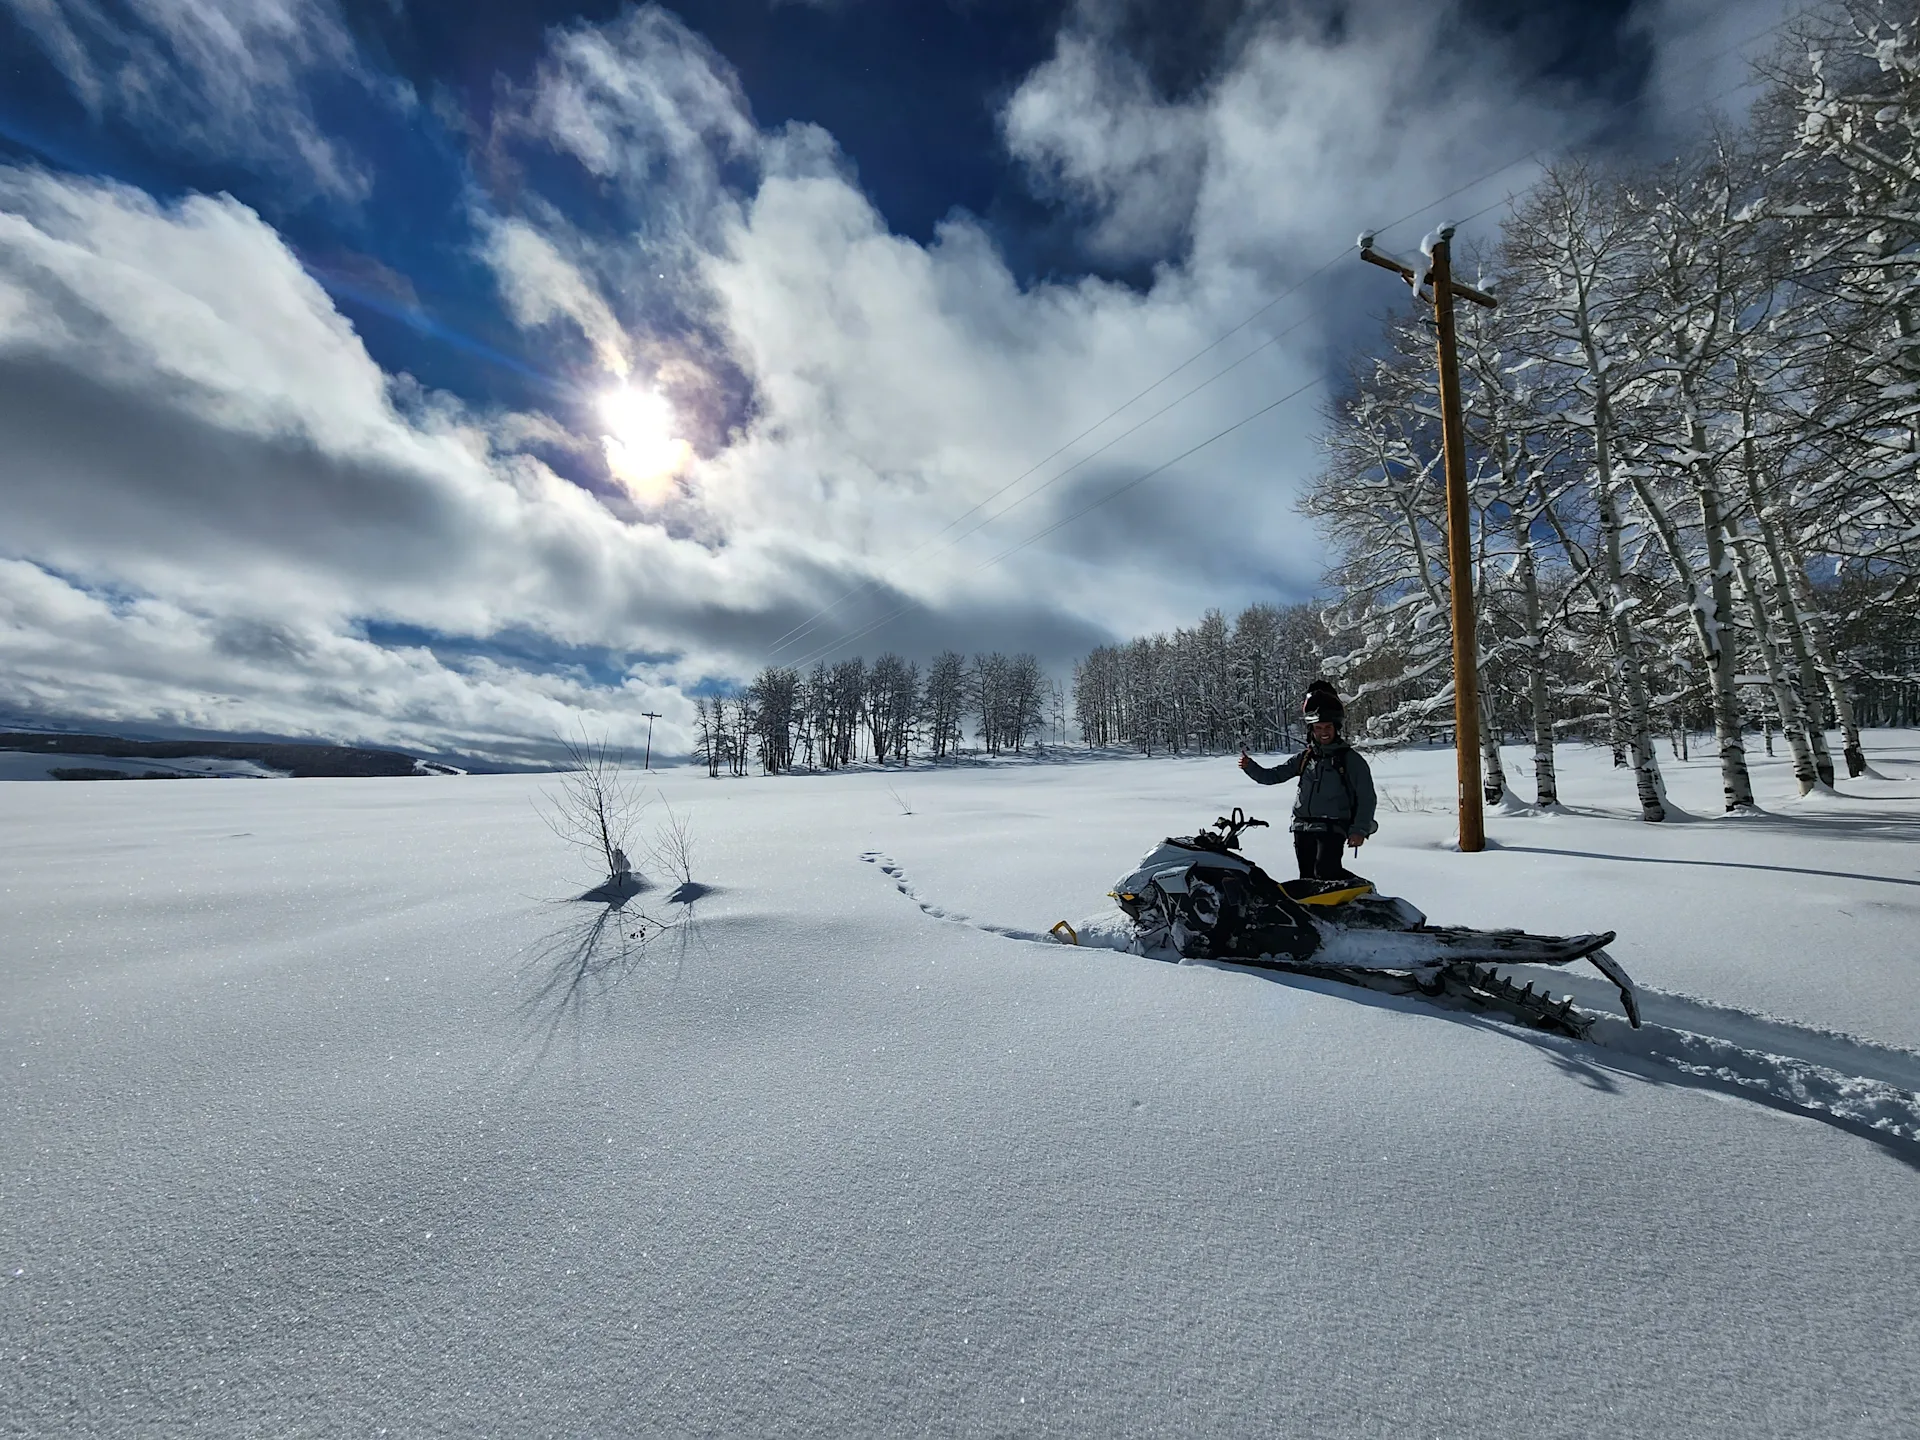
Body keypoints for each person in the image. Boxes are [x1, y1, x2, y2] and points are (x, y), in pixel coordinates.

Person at [1238, 687, 1378, 880]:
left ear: (1336, 728)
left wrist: (1359, 830)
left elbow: (1367, 798)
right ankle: (1314, 910)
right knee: (1307, 879)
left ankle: (1360, 894)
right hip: (1302, 828)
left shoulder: (1350, 760)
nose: (1323, 733)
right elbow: (1273, 776)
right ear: (1311, 730)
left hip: (1332, 827)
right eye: (1318, 728)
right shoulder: (1305, 757)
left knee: (1325, 872)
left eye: (1327, 727)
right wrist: (1250, 767)